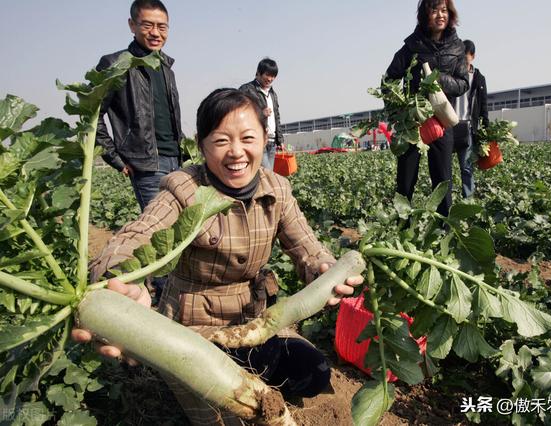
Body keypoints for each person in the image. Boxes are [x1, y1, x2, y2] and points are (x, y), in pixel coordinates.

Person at [74, 88, 363, 425]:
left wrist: (322, 268)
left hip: (255, 321)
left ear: (264, 139)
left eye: (247, 138)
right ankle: (193, 377)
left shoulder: (277, 188)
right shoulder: (183, 189)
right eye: (221, 140)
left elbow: (306, 246)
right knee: (225, 417)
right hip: (194, 331)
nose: (236, 152)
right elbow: (136, 236)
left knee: (313, 373)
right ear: (201, 145)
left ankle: (248, 367)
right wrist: (118, 281)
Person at [96, 0, 183, 212]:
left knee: (182, 227)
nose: (155, 33)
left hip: (176, 161)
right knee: (160, 229)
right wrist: (114, 157)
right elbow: (92, 116)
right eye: (147, 25)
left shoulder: (166, 67)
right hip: (146, 166)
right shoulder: (115, 64)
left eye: (162, 27)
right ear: (132, 25)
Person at [385, 0, 469, 216]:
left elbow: (462, 83)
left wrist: (439, 79)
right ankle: (401, 225)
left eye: (444, 11)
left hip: (441, 121)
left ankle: (444, 229)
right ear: (425, 15)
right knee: (405, 180)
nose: (440, 15)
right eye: (434, 10)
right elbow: (389, 81)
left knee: (443, 181)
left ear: (450, 15)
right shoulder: (411, 46)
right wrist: (401, 110)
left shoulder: (457, 48)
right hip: (412, 123)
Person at [453, 39, 489, 199]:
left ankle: (468, 200)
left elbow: (484, 105)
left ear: (472, 56)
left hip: (467, 127)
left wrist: (486, 127)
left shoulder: (479, 79)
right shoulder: (452, 75)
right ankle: (444, 202)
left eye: (465, 56)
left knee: (466, 168)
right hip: (450, 124)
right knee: (443, 167)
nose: (462, 59)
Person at [239, 58, 284, 170]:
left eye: (273, 76)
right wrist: (260, 113)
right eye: (267, 75)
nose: (270, 79)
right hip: (257, 139)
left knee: (266, 176)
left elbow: (276, 117)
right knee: (267, 174)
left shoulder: (273, 93)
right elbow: (238, 114)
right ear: (258, 73)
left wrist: (280, 140)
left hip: (272, 141)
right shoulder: (246, 90)